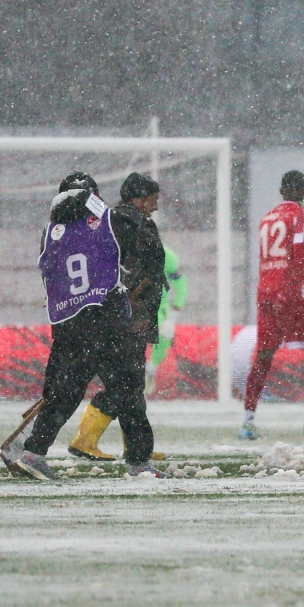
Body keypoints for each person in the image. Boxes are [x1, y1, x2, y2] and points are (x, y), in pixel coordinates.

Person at [15, 172, 164, 480]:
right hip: (105, 319)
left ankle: (32, 452)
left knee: (64, 393)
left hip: (67, 322)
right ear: (94, 197)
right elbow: (153, 250)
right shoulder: (110, 221)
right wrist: (139, 291)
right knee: (128, 391)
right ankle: (138, 462)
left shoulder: (50, 231)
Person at [67, 172, 169, 463]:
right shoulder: (130, 223)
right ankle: (89, 441)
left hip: (122, 314)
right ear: (140, 197)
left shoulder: (116, 220)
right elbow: (132, 270)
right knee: (127, 385)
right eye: (154, 199)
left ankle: (133, 447)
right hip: (127, 317)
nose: (156, 206)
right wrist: (133, 307)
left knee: (128, 385)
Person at [241, 170, 304, 440]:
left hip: (266, 293)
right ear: (303, 190)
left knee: (264, 355)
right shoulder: (301, 214)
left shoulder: (267, 218)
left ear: (281, 190)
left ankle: (248, 421)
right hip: (292, 292)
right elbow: (299, 254)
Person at [144, 245, 187, 395]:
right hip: (131, 304)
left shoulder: (168, 257)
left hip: (158, 306)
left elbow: (180, 285)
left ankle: (150, 369)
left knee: (165, 332)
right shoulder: (125, 253)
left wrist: (175, 310)